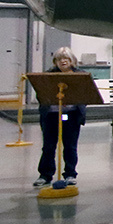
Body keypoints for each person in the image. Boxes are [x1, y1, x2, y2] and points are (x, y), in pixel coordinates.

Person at [35, 47, 88, 186]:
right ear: (55, 62)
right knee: (48, 146)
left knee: (70, 146)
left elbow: (86, 94)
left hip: (70, 116)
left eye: (66, 58)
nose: (62, 61)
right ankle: (45, 175)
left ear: (72, 60)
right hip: (51, 115)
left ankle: (70, 174)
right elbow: (41, 94)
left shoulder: (81, 75)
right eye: (59, 59)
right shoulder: (48, 75)